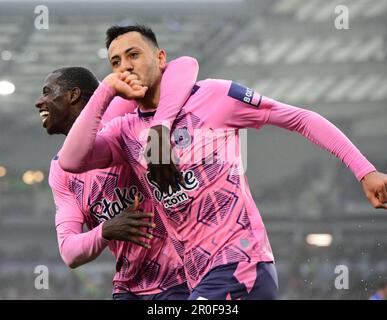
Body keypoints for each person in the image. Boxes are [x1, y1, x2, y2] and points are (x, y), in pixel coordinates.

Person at [59, 25, 387, 300]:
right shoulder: (124, 131)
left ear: (160, 58)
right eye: (116, 62)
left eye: (134, 55)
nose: (126, 66)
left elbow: (300, 118)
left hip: (240, 264)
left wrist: (364, 170)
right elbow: (72, 161)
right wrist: (105, 92)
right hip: (197, 279)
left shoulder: (215, 97)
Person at [35, 56, 199, 299]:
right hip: (128, 288)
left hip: (181, 280)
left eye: (47, 93)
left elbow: (184, 64)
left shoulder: (118, 110)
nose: (39, 102)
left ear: (73, 95)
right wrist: (106, 230)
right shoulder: (61, 171)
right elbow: (69, 252)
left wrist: (161, 125)